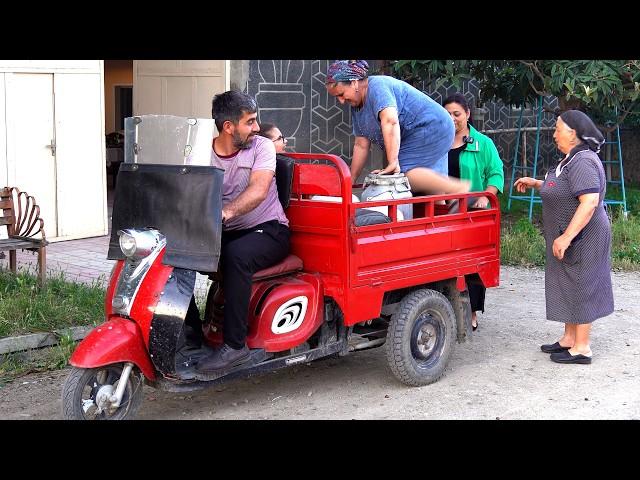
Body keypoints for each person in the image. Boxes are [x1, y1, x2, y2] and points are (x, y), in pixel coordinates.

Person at [193, 90, 291, 374]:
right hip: (223, 230)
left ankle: (235, 347)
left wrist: (226, 212)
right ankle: (190, 331)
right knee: (173, 254)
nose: (257, 128)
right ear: (228, 126)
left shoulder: (262, 147)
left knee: (236, 255)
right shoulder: (201, 151)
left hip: (269, 230)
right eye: (250, 122)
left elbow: (259, 190)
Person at [514, 110, 614, 364]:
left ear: (572, 133)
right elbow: (563, 186)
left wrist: (567, 237)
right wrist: (537, 183)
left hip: (584, 236)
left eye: (558, 129)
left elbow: (589, 201)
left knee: (582, 283)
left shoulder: (583, 161)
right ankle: (569, 338)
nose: (554, 133)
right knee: (568, 282)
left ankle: (582, 348)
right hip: (569, 235)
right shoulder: (570, 160)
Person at [325, 60, 469, 195]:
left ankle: (459, 188)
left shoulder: (377, 87)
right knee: (432, 184)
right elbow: (361, 145)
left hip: (432, 126)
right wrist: (350, 181)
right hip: (427, 130)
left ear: (354, 83)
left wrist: (393, 163)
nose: (341, 101)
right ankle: (441, 214)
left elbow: (390, 121)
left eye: (341, 94)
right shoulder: (356, 106)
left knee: (401, 175)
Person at [443, 93, 505, 331]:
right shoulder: (439, 141)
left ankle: (471, 312)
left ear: (467, 114)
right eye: (447, 114)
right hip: (443, 212)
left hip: (472, 214)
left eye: (456, 114)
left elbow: (496, 173)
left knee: (472, 264)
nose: (452, 119)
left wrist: (484, 196)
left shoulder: (482, 144)